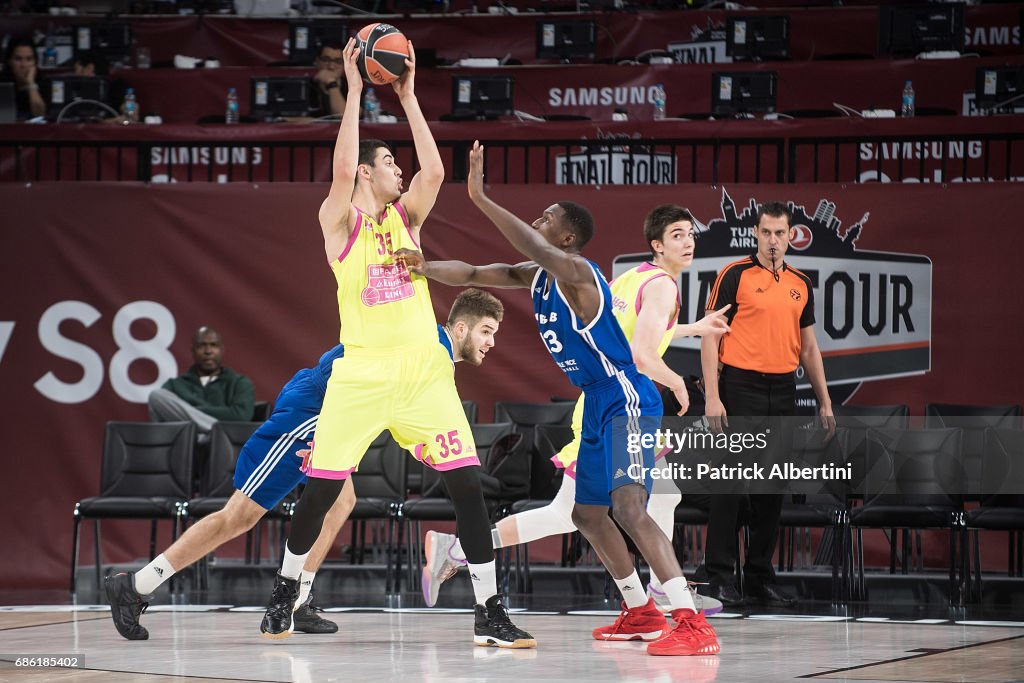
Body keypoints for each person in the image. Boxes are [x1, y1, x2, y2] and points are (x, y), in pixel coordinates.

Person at [257, 40, 534, 649]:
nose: (400, 173)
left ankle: (488, 608)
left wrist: (408, 97)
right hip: (361, 375)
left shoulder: (406, 219)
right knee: (323, 489)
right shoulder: (340, 221)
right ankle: (286, 591)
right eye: (389, 165)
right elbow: (339, 171)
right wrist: (356, 91)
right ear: (365, 170)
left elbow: (435, 173)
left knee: (467, 484)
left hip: (424, 375)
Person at [399, 141, 721, 657]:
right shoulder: (538, 276)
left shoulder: (576, 274)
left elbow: (535, 247)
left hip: (626, 395)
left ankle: (691, 623)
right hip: (596, 400)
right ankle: (640, 610)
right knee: (587, 515)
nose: (536, 219)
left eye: (545, 218)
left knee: (631, 508)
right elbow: (476, 273)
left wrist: (480, 198)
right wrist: (423, 267)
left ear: (566, 238)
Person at [105, 288, 505, 641]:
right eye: (486, 331)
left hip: (337, 410)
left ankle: (297, 597)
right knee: (240, 515)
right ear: (459, 328)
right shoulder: (428, 347)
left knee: (341, 502)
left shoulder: (432, 350)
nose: (490, 342)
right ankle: (136, 585)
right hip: (314, 410)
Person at [695, 200, 834, 607]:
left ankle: (759, 577)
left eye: (780, 233)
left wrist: (825, 402)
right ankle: (719, 577)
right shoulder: (734, 274)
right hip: (739, 386)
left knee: (771, 488)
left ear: (791, 236)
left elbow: (809, 348)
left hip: (783, 389)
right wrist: (713, 397)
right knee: (730, 486)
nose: (773, 240)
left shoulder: (800, 283)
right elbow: (710, 336)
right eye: (766, 233)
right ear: (756, 234)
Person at [148, 326, 256, 439]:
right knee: (157, 395)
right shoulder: (174, 385)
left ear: (222, 350)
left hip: (224, 447)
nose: (208, 351)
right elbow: (161, 420)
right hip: (185, 443)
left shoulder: (240, 383)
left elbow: (241, 417)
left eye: (213, 345)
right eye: (201, 346)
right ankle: (215, 432)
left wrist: (190, 410)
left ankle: (216, 434)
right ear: (193, 351)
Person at [1, 36, 46, 119]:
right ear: (9, 61)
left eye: (29, 59)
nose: (23, 65)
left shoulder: (43, 81)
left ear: (35, 62)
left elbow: (40, 116)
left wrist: (31, 83)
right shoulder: (2, 82)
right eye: (18, 59)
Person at [308, 40, 348, 118]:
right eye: (326, 60)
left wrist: (331, 82)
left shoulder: (353, 87)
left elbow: (342, 115)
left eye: (338, 61)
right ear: (316, 61)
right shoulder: (305, 86)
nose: (331, 66)